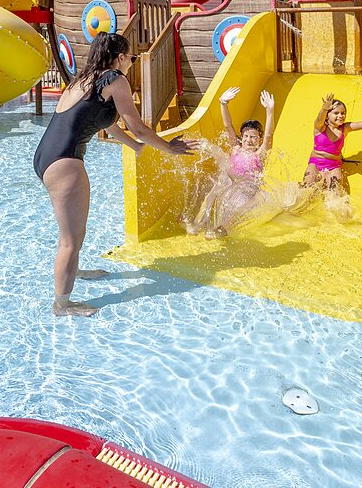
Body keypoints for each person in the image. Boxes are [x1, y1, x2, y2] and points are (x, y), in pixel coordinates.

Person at [34, 32, 193, 317]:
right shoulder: (114, 80)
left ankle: (74, 270)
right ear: (120, 57)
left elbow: (103, 123)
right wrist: (169, 148)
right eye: (130, 57)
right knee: (70, 240)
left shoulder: (82, 81)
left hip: (46, 156)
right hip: (65, 163)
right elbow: (140, 127)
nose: (131, 62)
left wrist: (135, 147)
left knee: (70, 234)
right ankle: (62, 304)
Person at [183, 86, 276, 238]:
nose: (249, 140)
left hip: (246, 190)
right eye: (246, 136)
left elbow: (269, 134)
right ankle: (200, 224)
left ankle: (222, 229)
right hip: (229, 183)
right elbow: (228, 126)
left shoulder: (260, 154)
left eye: (253, 137)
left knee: (234, 206)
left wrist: (270, 111)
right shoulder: (236, 148)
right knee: (214, 190)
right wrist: (223, 103)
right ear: (241, 137)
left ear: (259, 139)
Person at [302, 92, 362, 194]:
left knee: (336, 194)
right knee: (306, 188)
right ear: (327, 116)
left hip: (334, 165)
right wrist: (324, 109)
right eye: (336, 113)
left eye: (343, 113)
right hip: (316, 163)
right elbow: (319, 119)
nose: (340, 116)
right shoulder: (320, 127)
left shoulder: (345, 128)